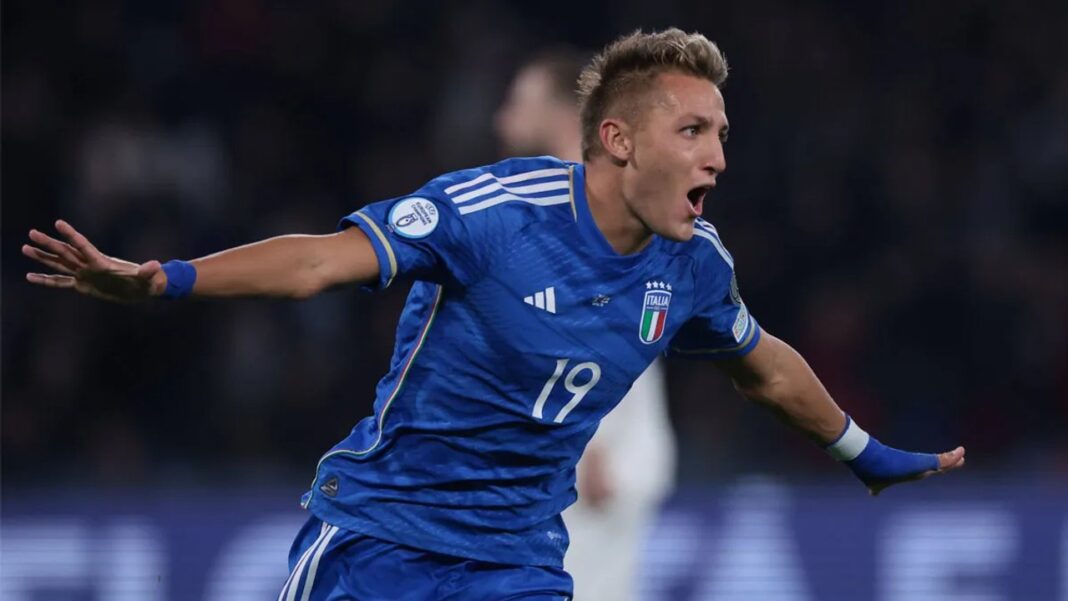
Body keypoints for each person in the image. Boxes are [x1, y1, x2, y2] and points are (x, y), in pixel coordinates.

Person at [23, 28, 966, 601]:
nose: (719, 155)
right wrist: (164, 281)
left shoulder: (693, 267)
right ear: (617, 139)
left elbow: (762, 364)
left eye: (721, 133)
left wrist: (864, 455)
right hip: (382, 538)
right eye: (694, 130)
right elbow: (315, 261)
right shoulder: (493, 213)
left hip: (515, 560)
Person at [495, 48, 675, 601]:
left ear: (558, 113)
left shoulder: (596, 207)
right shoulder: (548, 201)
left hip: (588, 470)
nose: (500, 120)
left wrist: (593, 445)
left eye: (516, 103)